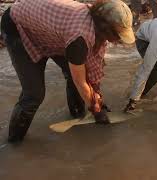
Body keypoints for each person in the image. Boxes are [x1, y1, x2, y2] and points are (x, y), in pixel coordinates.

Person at [0, 0, 135, 143]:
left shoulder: (95, 25)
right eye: (117, 34)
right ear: (105, 27)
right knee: (34, 94)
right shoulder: (79, 38)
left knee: (73, 73)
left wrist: (96, 97)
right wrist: (96, 109)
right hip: (17, 26)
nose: (118, 39)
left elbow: (91, 67)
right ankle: (14, 142)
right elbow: (80, 81)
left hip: (49, 29)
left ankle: (77, 116)